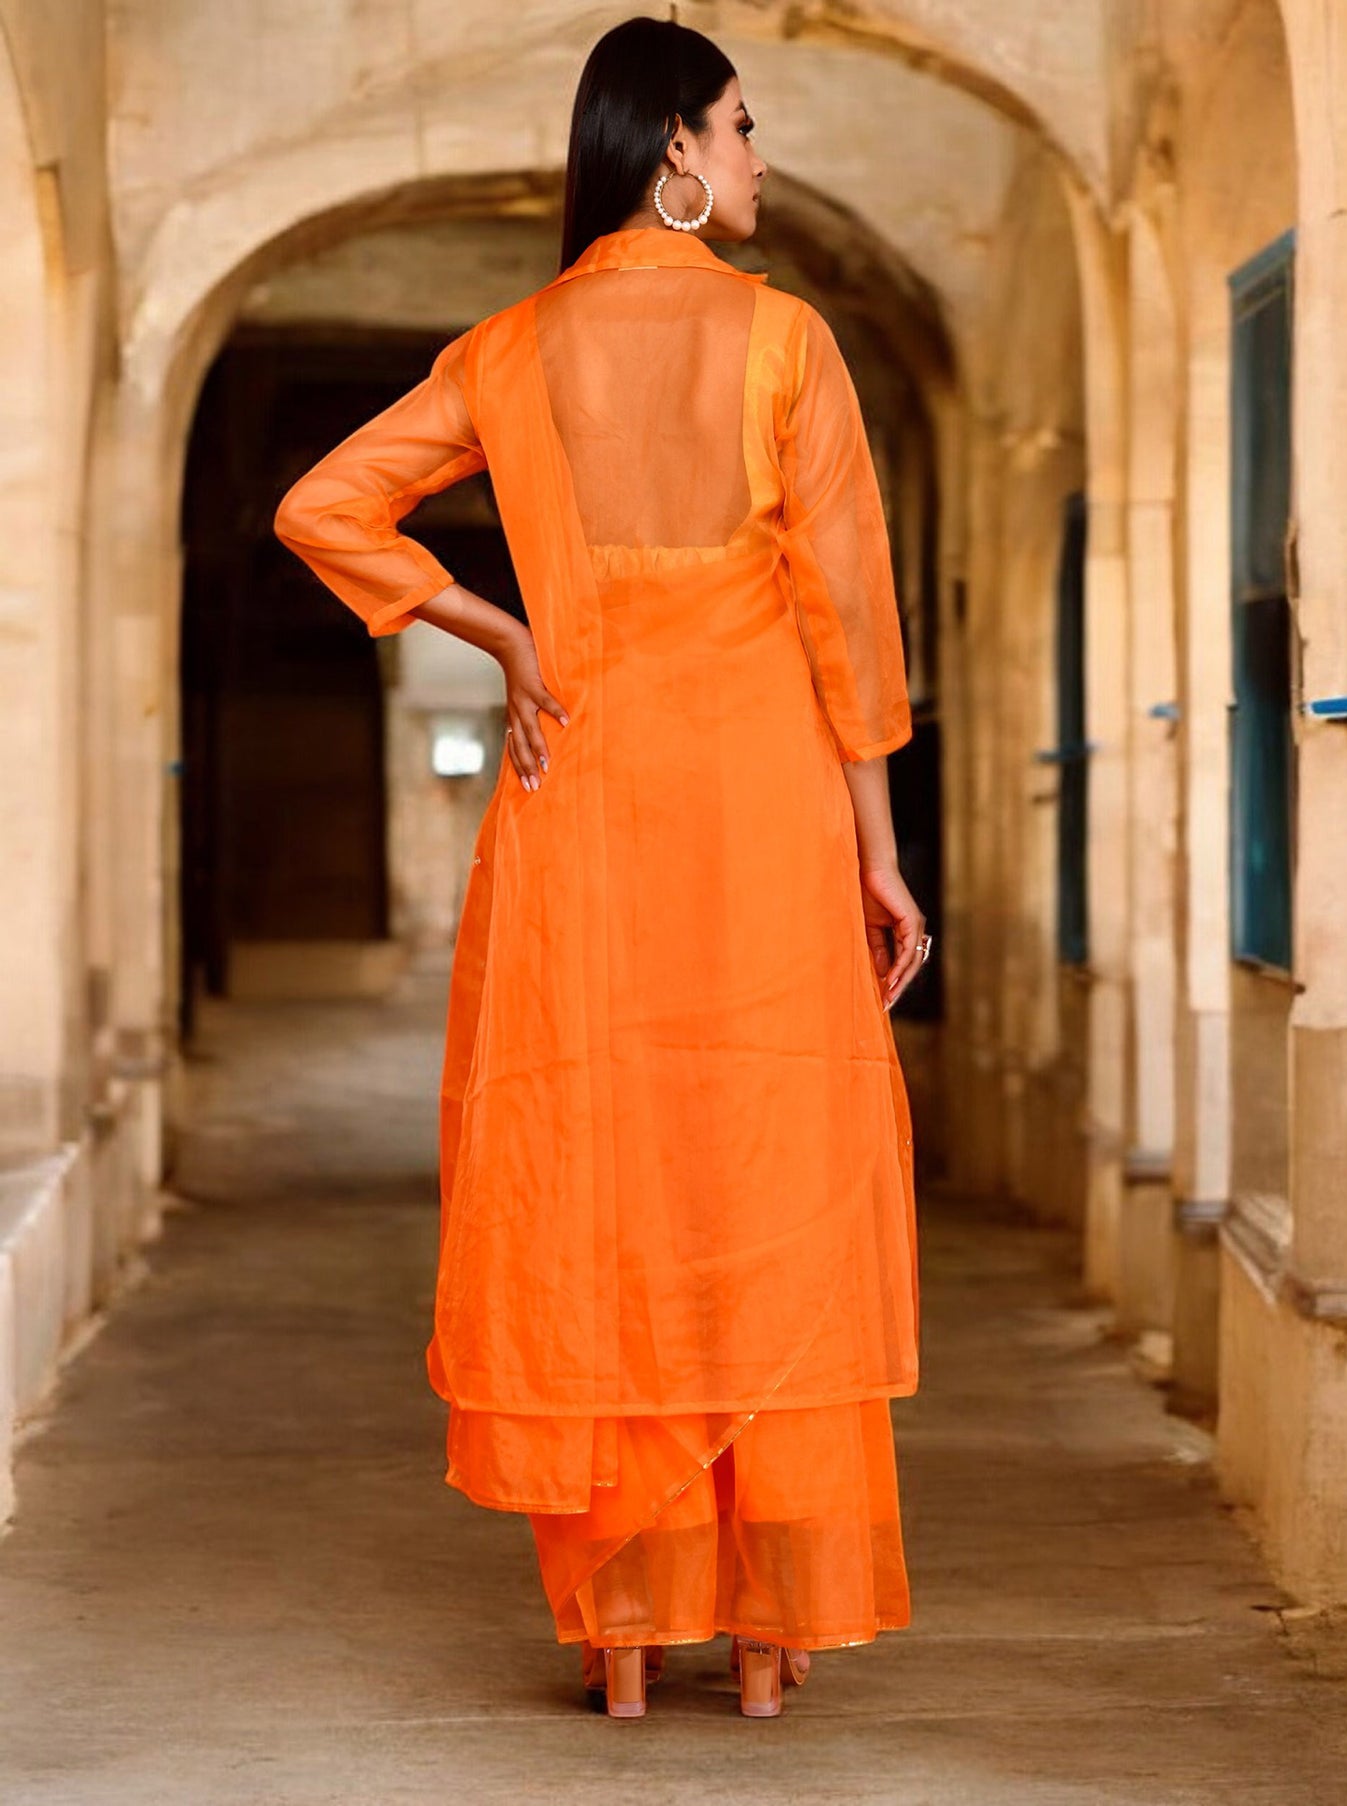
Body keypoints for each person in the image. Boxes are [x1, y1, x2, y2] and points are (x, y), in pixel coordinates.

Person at [273, 13, 931, 1722]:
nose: (760, 154)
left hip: (580, 818)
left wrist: (500, 630)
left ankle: (625, 1633)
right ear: (675, 159)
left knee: (600, 1182)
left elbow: (326, 507)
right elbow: (847, 629)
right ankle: (774, 1634)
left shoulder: (505, 350)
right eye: (742, 125)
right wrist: (880, 855)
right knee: (762, 1171)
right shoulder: (790, 348)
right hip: (764, 822)